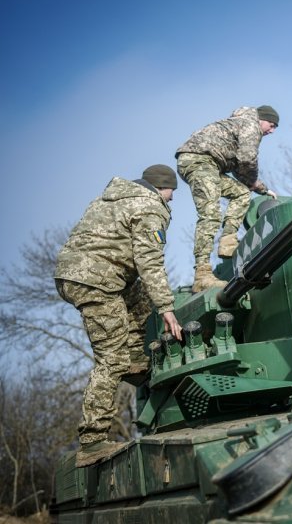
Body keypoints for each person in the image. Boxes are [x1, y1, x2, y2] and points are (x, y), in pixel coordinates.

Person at [54, 164, 183, 467]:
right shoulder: (150, 206)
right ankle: (92, 441)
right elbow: (149, 262)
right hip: (97, 282)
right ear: (160, 187)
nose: (172, 199)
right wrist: (167, 308)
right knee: (111, 358)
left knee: (138, 297)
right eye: (171, 192)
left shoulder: (109, 199)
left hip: (78, 275)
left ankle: (136, 362)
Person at [175, 105, 280, 292]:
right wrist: (255, 182)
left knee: (240, 192)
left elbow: (241, 169)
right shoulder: (250, 125)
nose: (271, 131)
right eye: (271, 125)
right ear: (260, 119)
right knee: (210, 213)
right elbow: (247, 159)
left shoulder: (238, 125)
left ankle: (228, 241)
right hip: (200, 161)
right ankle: (202, 274)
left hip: (207, 164)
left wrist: (261, 188)